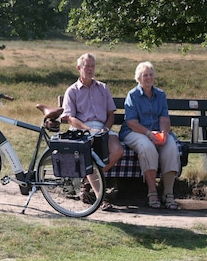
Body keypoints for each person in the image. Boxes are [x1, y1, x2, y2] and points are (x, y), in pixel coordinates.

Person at [62, 53, 124, 210]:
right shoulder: (72, 91)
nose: (90, 69)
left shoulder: (103, 88)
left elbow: (111, 114)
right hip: (82, 129)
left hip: (102, 128)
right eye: (87, 66)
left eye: (92, 66)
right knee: (88, 154)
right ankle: (100, 199)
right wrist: (87, 129)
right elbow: (69, 118)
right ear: (79, 68)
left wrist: (106, 129)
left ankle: (87, 177)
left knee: (118, 150)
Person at [120, 61, 181, 210]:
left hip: (156, 132)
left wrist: (164, 134)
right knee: (147, 147)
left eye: (150, 75)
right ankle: (152, 191)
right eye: (145, 75)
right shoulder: (132, 95)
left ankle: (168, 193)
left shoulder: (160, 94)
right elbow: (131, 122)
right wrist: (148, 133)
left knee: (171, 147)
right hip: (135, 132)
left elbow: (165, 118)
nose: (148, 78)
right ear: (138, 78)